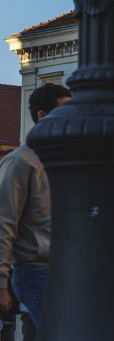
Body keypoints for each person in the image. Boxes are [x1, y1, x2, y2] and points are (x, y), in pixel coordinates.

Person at [0, 83, 72, 328]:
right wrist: (1, 283)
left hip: (62, 268)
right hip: (34, 269)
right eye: (65, 111)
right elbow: (4, 222)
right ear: (42, 116)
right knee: (60, 338)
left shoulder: (59, 163)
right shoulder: (21, 162)